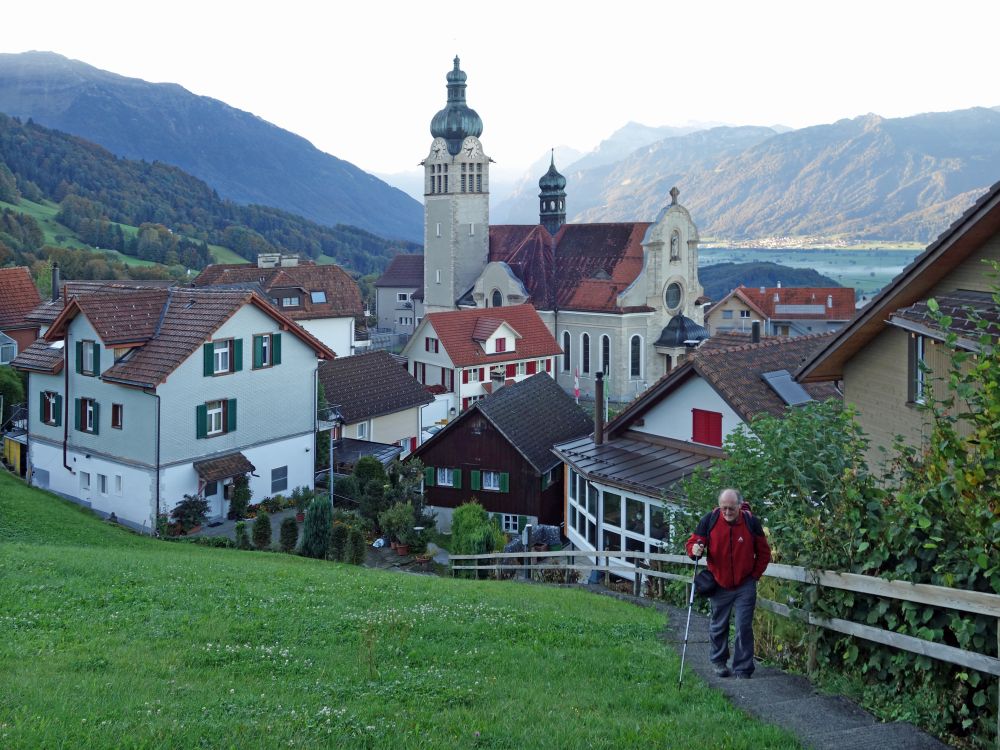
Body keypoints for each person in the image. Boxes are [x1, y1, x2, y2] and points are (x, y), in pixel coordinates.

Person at [685, 488, 771, 679]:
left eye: (731, 508)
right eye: (724, 508)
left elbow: (764, 553)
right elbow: (693, 543)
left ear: (739, 506)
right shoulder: (710, 520)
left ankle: (743, 668)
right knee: (718, 625)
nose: (727, 512)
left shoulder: (750, 523)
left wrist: (754, 575)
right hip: (719, 582)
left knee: (743, 626)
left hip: (745, 584)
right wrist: (695, 549)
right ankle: (718, 662)